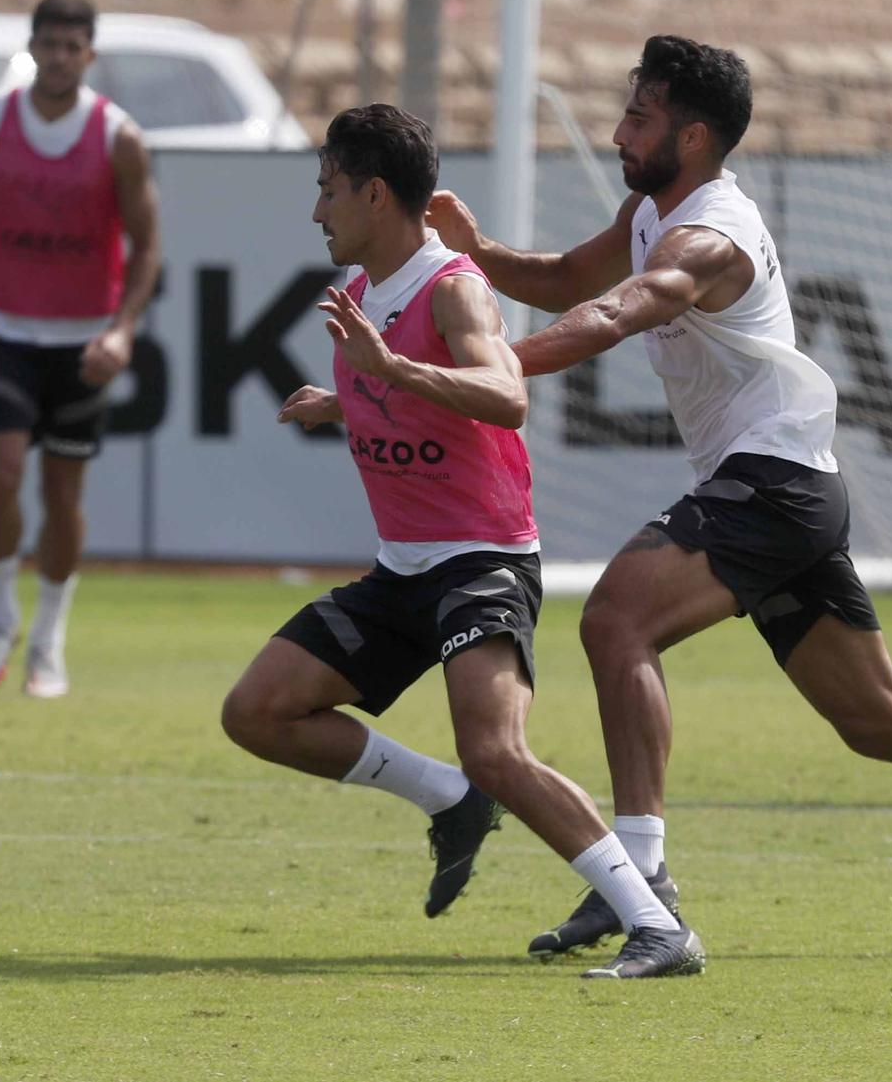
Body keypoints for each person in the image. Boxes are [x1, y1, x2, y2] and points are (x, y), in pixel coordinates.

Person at [426, 35, 892, 966]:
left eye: (638, 118)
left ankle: (641, 881)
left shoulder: (709, 235)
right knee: (879, 718)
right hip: (785, 486)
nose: (617, 133)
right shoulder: (651, 208)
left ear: (693, 137)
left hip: (772, 482)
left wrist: (493, 371)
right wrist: (481, 251)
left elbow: (613, 313)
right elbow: (573, 280)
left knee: (616, 621)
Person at [221, 104, 701, 980]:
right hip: (403, 569)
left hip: (481, 562)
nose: (318, 211)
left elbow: (505, 394)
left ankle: (656, 922)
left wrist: (389, 369)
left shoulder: (453, 288)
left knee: (497, 748)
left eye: (329, 190)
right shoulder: (365, 289)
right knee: (255, 712)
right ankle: (449, 796)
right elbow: (404, 396)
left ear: (375, 193)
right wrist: (344, 400)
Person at [0, 0, 160, 699]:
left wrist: (121, 330)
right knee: (2, 473)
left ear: (90, 55)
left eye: (71, 46)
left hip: (81, 343)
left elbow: (148, 243)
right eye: (48, 43)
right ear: (30, 46)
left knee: (63, 492)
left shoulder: (118, 136)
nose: (58, 57)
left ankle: (48, 638)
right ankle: (0, 617)